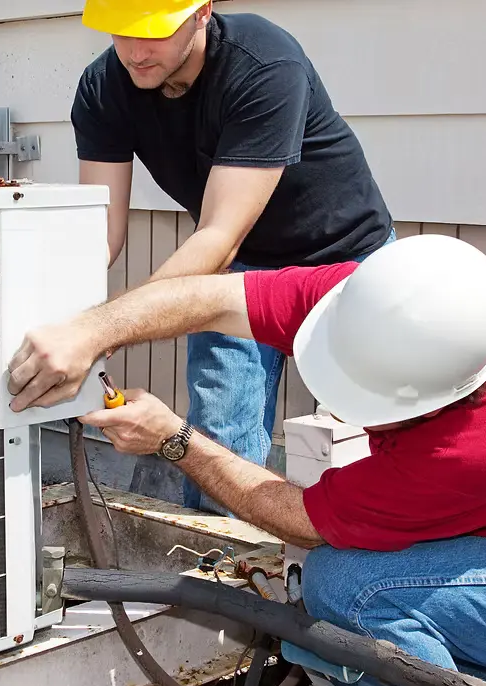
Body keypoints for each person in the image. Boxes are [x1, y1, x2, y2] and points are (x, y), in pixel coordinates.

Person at [5, 234, 486, 686]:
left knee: (346, 587)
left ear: (430, 399)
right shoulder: (372, 302)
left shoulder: (474, 448)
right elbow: (207, 297)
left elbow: (299, 519)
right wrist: (92, 330)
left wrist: (174, 438)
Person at [70, 0, 395, 513]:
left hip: (347, 261)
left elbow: (219, 234)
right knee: (220, 436)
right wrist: (70, 319)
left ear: (202, 13)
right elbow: (99, 235)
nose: (134, 51)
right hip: (237, 269)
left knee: (382, 431)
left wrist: (107, 327)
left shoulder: (263, 64)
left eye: (152, 32)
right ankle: (224, 576)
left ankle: (378, 569)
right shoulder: (104, 88)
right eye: (118, 32)